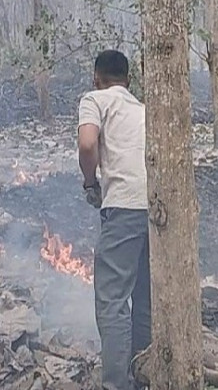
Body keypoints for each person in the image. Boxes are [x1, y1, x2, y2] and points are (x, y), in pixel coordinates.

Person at [77, 50, 150, 390]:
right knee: (145, 300)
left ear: (97, 78)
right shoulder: (143, 109)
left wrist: (90, 183)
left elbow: (87, 144)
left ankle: (117, 384)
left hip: (123, 208)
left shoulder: (94, 99)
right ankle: (145, 375)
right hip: (155, 210)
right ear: (129, 80)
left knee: (113, 302)